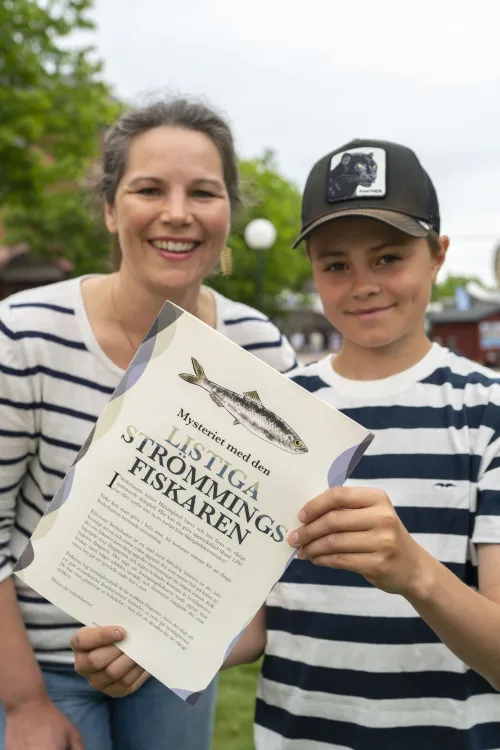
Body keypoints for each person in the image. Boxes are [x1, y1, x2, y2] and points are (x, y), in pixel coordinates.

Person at [73, 138, 500, 750]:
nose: (363, 284)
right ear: (314, 273)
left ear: (438, 255)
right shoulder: (272, 407)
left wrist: (414, 574)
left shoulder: (487, 410)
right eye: (335, 265)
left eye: (388, 258)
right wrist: (148, 645)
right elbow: (258, 622)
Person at [0, 97, 297, 750]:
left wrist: (213, 639)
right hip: (39, 669)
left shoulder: (261, 349)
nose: (177, 213)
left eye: (203, 192)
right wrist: (23, 706)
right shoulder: (25, 336)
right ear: (110, 208)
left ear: (228, 212)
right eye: (148, 189)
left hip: (177, 662)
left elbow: (273, 536)